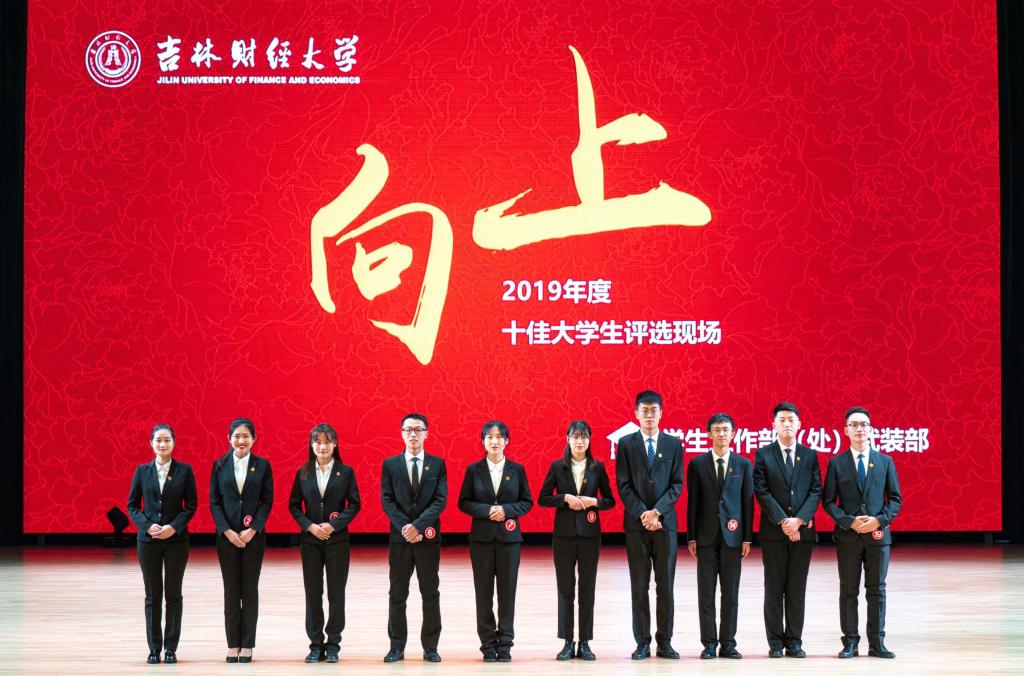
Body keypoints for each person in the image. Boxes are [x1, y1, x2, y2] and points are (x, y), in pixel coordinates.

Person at [822, 407, 902, 659]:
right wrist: (849, 521)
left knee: (877, 590)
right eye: (854, 425)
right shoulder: (837, 463)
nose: (859, 429)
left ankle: (877, 643)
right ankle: (850, 643)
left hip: (878, 538)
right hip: (848, 537)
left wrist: (878, 520)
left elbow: (895, 500)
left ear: (871, 430)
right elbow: (828, 502)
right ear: (845, 431)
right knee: (848, 590)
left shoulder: (885, 461)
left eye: (864, 424)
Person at [537, 420, 616, 661]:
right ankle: (567, 642)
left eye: (584, 437)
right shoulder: (557, 466)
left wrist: (594, 502)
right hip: (563, 536)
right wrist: (564, 498)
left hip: (590, 536)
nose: (579, 441)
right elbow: (542, 498)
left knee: (587, 589)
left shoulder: (597, 467)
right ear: (567, 439)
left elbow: (610, 501)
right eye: (575, 436)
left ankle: (585, 642)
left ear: (589, 440)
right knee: (565, 589)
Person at [615, 390, 684, 660]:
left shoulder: (673, 444)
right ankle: (642, 642)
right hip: (637, 526)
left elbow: (676, 484)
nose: (649, 415)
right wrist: (644, 513)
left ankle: (665, 642)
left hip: (665, 526)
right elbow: (624, 485)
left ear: (661, 413)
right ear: (636, 414)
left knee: (665, 587)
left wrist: (657, 512)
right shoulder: (626, 444)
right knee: (639, 586)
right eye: (644, 411)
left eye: (654, 410)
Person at [457, 421, 533, 662]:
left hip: (510, 540)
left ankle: (506, 643)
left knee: (507, 593)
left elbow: (527, 502)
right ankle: (488, 644)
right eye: (489, 437)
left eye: (499, 436)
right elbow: (463, 502)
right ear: (483, 441)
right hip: (481, 539)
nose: (494, 441)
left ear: (506, 441)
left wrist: (507, 511)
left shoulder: (517, 469)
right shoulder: (474, 470)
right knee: (484, 593)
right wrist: (488, 510)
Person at [752, 402, 822, 658]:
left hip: (803, 533)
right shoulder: (764, 455)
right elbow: (761, 491)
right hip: (773, 534)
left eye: (791, 419)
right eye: (782, 420)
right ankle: (775, 642)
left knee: (796, 589)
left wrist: (799, 520)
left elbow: (816, 490)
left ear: (799, 424)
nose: (787, 424)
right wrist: (784, 521)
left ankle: (794, 641)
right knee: (774, 588)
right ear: (774, 425)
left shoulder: (809, 455)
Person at [288, 423, 360, 663]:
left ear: (335, 444)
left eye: (327, 441)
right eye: (317, 442)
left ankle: (333, 644)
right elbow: (294, 505)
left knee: (336, 593)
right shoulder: (303, 472)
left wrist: (334, 525)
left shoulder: (345, 472)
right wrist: (310, 526)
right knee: (313, 593)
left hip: (337, 540)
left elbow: (354, 504)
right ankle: (315, 644)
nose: (322, 446)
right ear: (311, 445)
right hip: (310, 541)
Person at [127, 423, 198, 664]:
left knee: (173, 594)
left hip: (176, 541)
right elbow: (132, 505)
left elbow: (191, 505)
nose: (162, 444)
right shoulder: (142, 471)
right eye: (158, 440)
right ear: (151, 443)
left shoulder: (184, 471)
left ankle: (171, 648)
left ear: (174, 443)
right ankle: (154, 647)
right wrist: (146, 526)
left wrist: (173, 527)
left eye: (167, 440)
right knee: (152, 595)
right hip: (148, 541)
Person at [380, 413, 448, 663]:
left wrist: (417, 527)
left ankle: (431, 647)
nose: (413, 434)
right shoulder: (390, 464)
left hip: (427, 539)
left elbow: (440, 500)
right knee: (397, 594)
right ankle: (396, 647)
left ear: (426, 434)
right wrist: (406, 528)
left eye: (418, 429)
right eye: (408, 429)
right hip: (400, 540)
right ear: (401, 433)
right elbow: (387, 500)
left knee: (430, 593)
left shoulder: (437, 464)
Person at [686, 413, 753, 659]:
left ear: (733, 433)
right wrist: (691, 537)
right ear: (709, 434)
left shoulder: (743, 464)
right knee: (706, 594)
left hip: (733, 538)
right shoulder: (697, 464)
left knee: (730, 594)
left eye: (725, 429)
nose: (721, 434)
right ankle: (709, 644)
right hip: (705, 538)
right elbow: (692, 502)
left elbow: (748, 503)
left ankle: (728, 643)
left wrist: (747, 538)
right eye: (717, 430)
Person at [209, 417, 273, 663]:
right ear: (229, 439)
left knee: (249, 590)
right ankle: (232, 644)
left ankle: (247, 644)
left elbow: (267, 501)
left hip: (253, 538)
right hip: (227, 538)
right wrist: (227, 531)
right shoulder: (219, 465)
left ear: (254, 439)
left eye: (246, 436)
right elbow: (214, 501)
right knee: (231, 591)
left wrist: (253, 529)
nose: (241, 440)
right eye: (237, 436)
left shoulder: (263, 465)